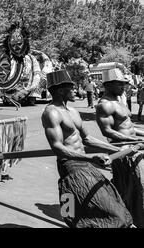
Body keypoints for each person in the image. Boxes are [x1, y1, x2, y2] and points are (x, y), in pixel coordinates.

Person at [41, 69, 133, 228]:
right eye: (71, 87)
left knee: (113, 203)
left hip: (86, 165)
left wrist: (115, 150)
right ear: (60, 90)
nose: (75, 90)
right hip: (70, 168)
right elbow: (57, 147)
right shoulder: (51, 113)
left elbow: (87, 139)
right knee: (96, 212)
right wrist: (91, 158)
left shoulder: (73, 111)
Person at [96, 69, 144, 227]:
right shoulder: (104, 104)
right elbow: (107, 131)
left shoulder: (120, 101)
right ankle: (129, 219)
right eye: (119, 84)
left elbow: (128, 126)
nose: (124, 87)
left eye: (124, 84)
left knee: (134, 187)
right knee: (134, 185)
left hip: (133, 146)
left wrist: (141, 134)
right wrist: (134, 139)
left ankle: (132, 217)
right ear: (108, 85)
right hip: (122, 150)